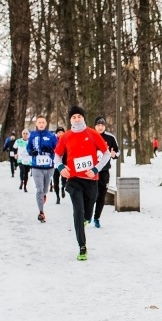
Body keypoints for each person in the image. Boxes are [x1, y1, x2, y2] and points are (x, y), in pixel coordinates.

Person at [54, 105, 111, 261]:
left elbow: (106, 153)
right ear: (70, 119)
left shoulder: (92, 133)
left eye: (79, 116)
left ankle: (87, 219)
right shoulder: (65, 136)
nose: (77, 119)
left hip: (91, 180)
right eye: (74, 117)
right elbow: (57, 156)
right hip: (73, 180)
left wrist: (96, 169)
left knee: (87, 214)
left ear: (83, 118)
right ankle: (82, 246)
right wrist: (60, 167)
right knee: (77, 212)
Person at [26, 116, 59, 223]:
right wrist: (31, 153)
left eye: (43, 122)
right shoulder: (32, 135)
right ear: (36, 124)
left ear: (45, 124)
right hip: (36, 167)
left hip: (49, 167)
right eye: (39, 122)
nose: (41, 124)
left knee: (45, 189)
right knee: (39, 189)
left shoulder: (51, 136)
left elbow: (57, 149)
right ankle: (41, 212)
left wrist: (50, 150)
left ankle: (44, 195)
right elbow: (29, 148)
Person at [91, 116, 120, 228]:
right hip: (91, 171)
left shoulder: (110, 137)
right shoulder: (90, 136)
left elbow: (117, 152)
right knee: (91, 194)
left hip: (104, 171)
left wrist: (114, 155)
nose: (100, 127)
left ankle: (97, 217)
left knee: (101, 195)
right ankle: (87, 215)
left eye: (102, 125)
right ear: (95, 126)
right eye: (98, 125)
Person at [52, 126, 65, 204]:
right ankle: (57, 197)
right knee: (55, 181)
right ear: (56, 134)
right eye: (59, 132)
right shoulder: (54, 141)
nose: (60, 134)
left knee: (64, 180)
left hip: (64, 164)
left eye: (61, 132)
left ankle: (63, 188)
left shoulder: (67, 139)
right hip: (56, 164)